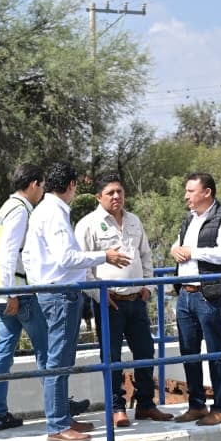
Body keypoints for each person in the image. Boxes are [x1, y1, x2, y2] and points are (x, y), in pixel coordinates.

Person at [21, 162, 130, 441]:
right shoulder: (54, 214)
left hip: (53, 291)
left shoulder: (44, 211)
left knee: (60, 359)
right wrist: (103, 256)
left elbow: (32, 257)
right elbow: (66, 258)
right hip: (59, 294)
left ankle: (62, 419)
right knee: (58, 361)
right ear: (71, 186)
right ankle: (57, 425)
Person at [74, 173, 174, 427]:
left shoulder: (134, 220)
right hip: (110, 303)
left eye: (120, 191)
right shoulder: (88, 224)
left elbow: (146, 256)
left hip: (136, 300)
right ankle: (117, 407)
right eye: (110, 193)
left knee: (145, 352)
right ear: (99, 197)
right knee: (112, 356)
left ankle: (145, 405)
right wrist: (99, 294)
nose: (117, 196)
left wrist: (148, 287)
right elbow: (82, 267)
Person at [170, 172, 221, 426]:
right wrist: (176, 250)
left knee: (215, 352)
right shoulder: (189, 219)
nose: (186, 196)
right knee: (188, 352)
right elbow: (176, 245)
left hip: (209, 295)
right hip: (185, 295)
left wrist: (193, 253)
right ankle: (196, 405)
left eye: (191, 191)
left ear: (207, 193)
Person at [0, 163, 49, 432]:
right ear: (34, 184)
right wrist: (11, 292)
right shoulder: (20, 210)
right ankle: (59, 405)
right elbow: (9, 253)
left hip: (1, 289)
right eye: (42, 186)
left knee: (4, 352)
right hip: (18, 291)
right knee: (47, 348)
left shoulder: (6, 208)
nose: (43, 191)